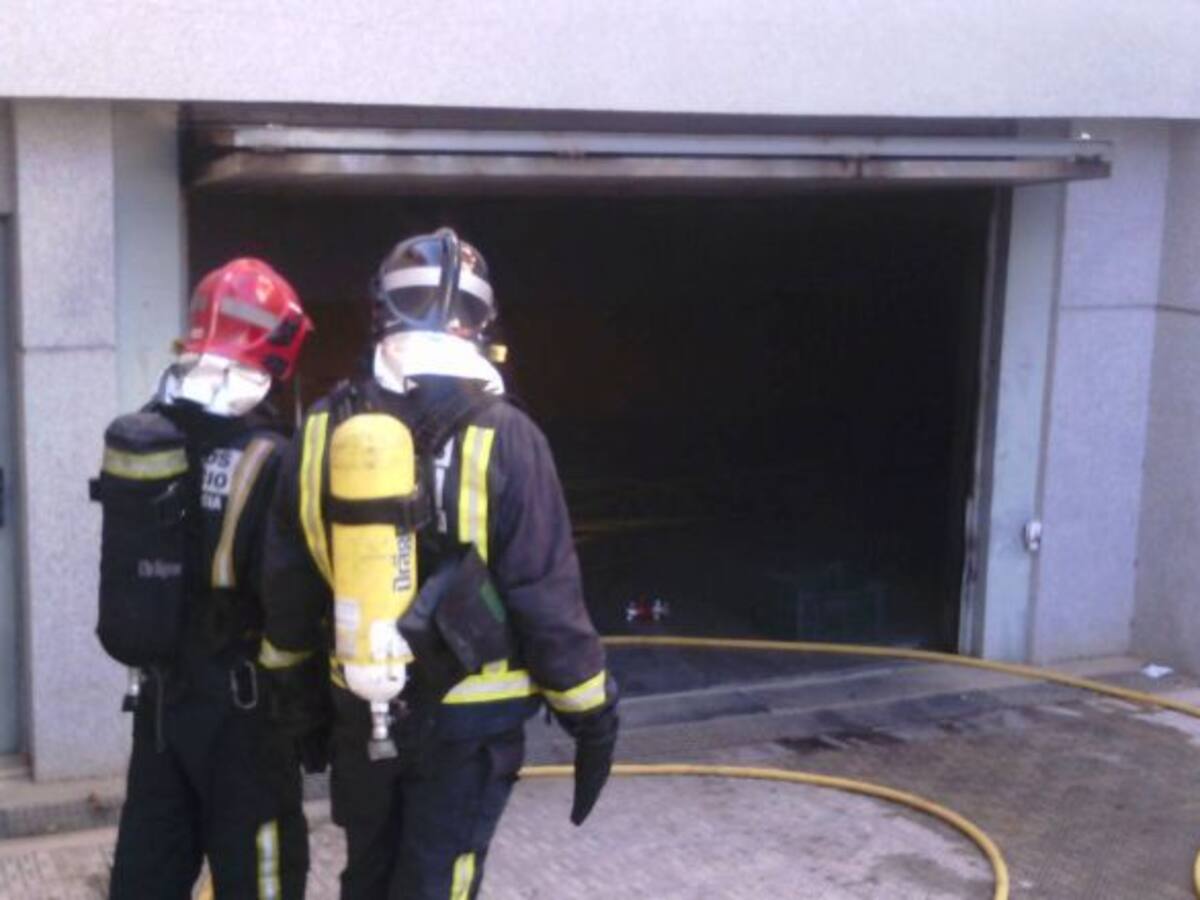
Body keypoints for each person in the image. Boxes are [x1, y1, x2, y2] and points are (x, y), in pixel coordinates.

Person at [259, 228, 619, 899]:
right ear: (480, 323)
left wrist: (301, 710)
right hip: (468, 727)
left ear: (380, 311)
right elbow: (547, 597)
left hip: (361, 710)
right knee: (437, 883)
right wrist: (592, 716)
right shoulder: (508, 435)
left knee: (366, 875)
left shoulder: (318, 432)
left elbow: (289, 588)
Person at [96, 258, 313, 899]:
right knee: (261, 877)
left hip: (160, 703)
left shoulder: (152, 427)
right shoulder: (270, 454)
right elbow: (291, 604)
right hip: (245, 719)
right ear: (277, 345)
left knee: (149, 872)